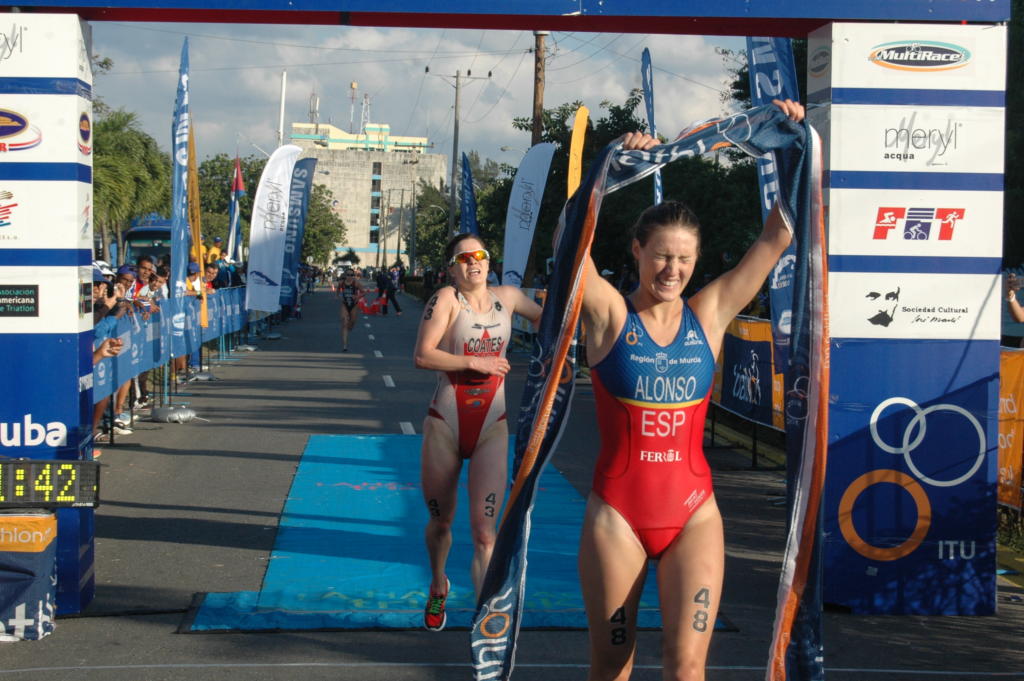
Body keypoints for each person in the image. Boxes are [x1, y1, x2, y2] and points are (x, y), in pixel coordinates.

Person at [576, 100, 804, 681]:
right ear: (637, 250)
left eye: (683, 258)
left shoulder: (711, 312)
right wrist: (611, 166)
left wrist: (788, 139)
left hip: (693, 513)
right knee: (612, 666)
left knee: (687, 668)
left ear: (697, 258)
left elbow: (779, 234)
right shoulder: (610, 314)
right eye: (660, 256)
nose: (671, 270)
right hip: (618, 516)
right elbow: (569, 249)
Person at [413, 233, 543, 631]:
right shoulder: (447, 299)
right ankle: (439, 584)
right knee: (441, 523)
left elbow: (551, 320)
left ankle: (484, 622)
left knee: (486, 534)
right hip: (446, 423)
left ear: (489, 261)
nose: (473, 262)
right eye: (464, 257)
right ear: (453, 267)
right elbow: (423, 355)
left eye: (480, 255)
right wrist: (475, 362)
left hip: (491, 427)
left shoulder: (509, 297)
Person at [335, 269, 363, 352]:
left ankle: (350, 326)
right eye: (348, 275)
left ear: (353, 276)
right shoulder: (341, 283)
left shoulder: (356, 283)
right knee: (344, 322)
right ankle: (345, 345)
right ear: (345, 275)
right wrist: (337, 296)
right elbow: (338, 289)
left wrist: (358, 296)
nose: (349, 277)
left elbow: (364, 292)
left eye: (351, 275)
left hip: (354, 305)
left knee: (352, 321)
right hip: (345, 304)